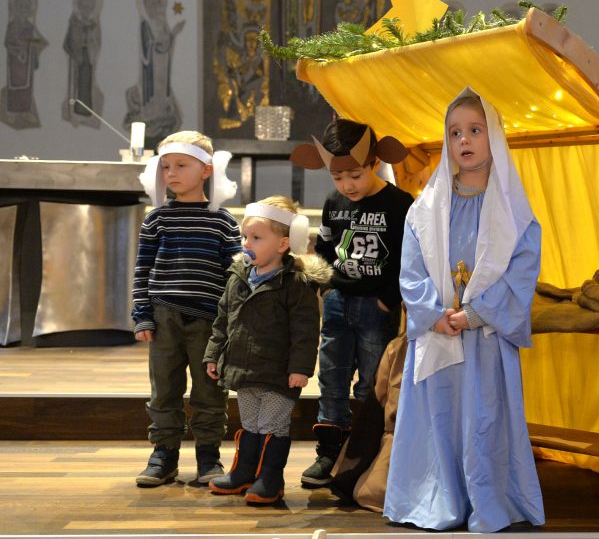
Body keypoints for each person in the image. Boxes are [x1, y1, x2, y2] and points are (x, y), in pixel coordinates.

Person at [383, 87, 545, 532]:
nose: (465, 140)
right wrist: (433, 313)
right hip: (438, 333)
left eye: (475, 130)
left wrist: (475, 314)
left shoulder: (514, 210)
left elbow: (522, 268)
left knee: (483, 419)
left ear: (494, 135)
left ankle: (490, 501)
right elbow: (410, 269)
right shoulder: (427, 208)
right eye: (455, 132)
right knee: (438, 419)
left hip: (484, 338)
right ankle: (434, 499)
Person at [290, 119, 413, 487]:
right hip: (339, 302)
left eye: (355, 176)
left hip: (376, 306)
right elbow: (325, 248)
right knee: (332, 377)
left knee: (372, 383)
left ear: (374, 163)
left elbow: (409, 257)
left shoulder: (399, 204)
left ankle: (362, 455)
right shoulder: (334, 203)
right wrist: (327, 289)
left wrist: (390, 300)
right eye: (339, 178)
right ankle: (328, 453)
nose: (347, 186)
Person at [204, 196, 331, 504]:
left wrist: (300, 368)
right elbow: (223, 319)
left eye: (257, 238)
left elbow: (305, 330)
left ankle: (270, 478)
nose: (248, 243)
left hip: (278, 373)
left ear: (283, 243)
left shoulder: (295, 284)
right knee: (249, 424)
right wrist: (213, 353)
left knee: (271, 425)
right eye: (246, 236)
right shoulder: (238, 277)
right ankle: (245, 472)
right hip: (244, 368)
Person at [131, 130, 241, 487]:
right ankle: (164, 453)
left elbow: (234, 275)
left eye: (181, 165)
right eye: (165, 167)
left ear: (206, 170)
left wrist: (231, 324)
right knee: (164, 389)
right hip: (164, 317)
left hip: (209, 321)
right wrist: (142, 314)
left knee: (210, 391)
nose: (171, 174)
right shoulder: (157, 219)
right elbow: (143, 269)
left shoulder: (223, 222)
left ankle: (208, 455)